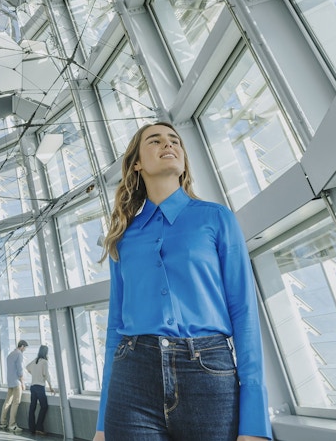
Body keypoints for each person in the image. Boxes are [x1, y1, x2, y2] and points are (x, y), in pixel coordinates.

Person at [93, 122, 273, 441]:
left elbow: (244, 313)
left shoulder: (216, 219)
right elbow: (114, 327)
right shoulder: (123, 237)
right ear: (136, 163)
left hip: (208, 374)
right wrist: (102, 422)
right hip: (131, 378)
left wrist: (254, 424)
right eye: (155, 140)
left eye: (175, 140)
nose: (169, 144)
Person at [26, 344, 56, 436]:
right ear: (46, 352)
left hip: (33, 387)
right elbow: (46, 375)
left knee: (32, 407)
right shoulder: (44, 362)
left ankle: (32, 429)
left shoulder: (35, 360)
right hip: (40, 387)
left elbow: (27, 368)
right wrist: (51, 386)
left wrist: (34, 374)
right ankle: (39, 428)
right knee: (44, 406)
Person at [0, 339, 29, 433]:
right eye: (25, 348)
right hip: (17, 383)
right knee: (15, 403)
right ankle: (12, 425)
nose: (25, 350)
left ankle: (3, 422)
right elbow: (20, 370)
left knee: (7, 402)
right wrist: (23, 383)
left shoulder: (10, 355)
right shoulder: (19, 354)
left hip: (10, 382)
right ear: (22, 346)